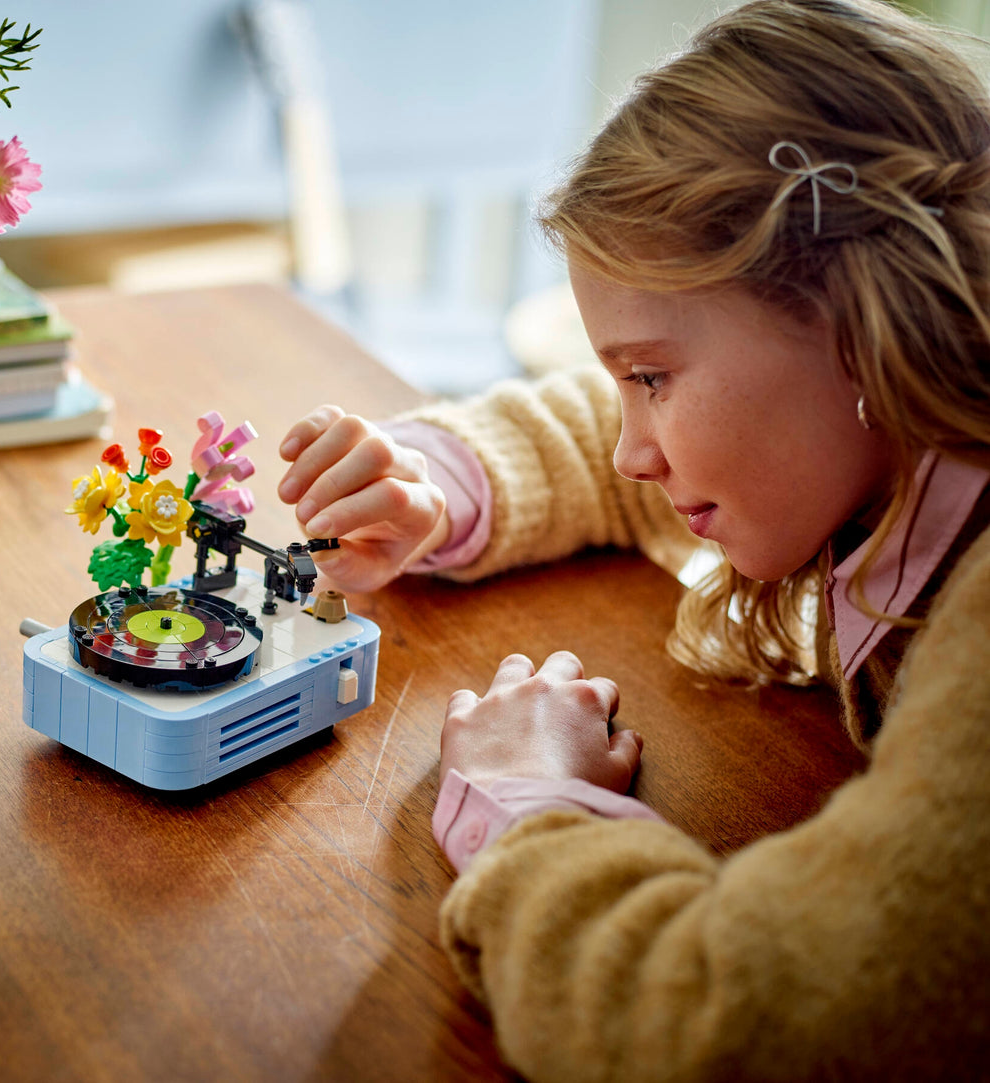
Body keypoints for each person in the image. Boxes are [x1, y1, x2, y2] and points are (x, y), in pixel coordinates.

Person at [275, 1, 990, 1077]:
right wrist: (433, 485)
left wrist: (527, 811)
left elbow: (731, 1027)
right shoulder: (888, 450)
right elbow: (597, 435)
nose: (629, 454)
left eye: (649, 378)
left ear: (858, 317)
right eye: (626, 381)